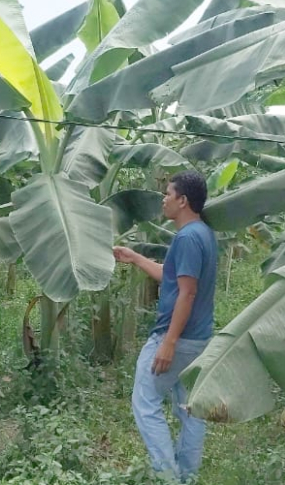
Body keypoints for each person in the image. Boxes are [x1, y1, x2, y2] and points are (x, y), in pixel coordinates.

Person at [113, 171, 218, 483]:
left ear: (183, 200)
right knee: (190, 410)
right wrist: (135, 258)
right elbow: (172, 278)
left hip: (179, 338)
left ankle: (168, 476)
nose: (163, 198)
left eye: (168, 193)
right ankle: (186, 476)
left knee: (145, 402)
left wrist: (168, 343)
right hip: (199, 339)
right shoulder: (202, 233)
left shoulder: (187, 238)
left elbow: (187, 293)